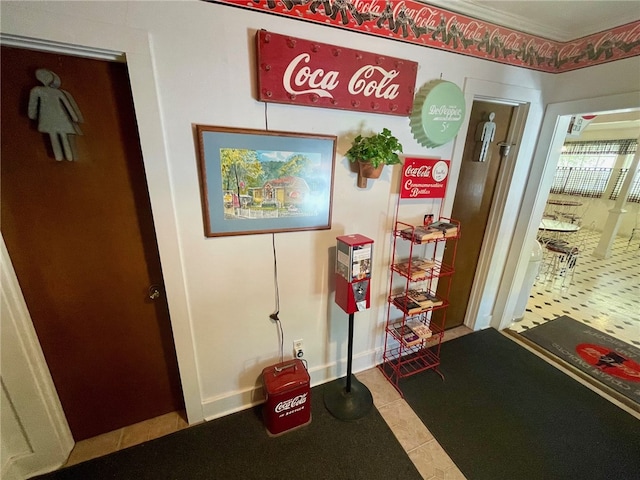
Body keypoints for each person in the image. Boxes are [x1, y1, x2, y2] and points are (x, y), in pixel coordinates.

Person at [28, 68, 83, 161]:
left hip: (53, 118)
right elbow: (33, 105)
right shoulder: (41, 91)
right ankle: (64, 156)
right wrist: (74, 117)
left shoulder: (38, 90)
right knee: (58, 136)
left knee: (56, 136)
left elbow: (33, 105)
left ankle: (63, 156)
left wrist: (32, 114)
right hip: (56, 118)